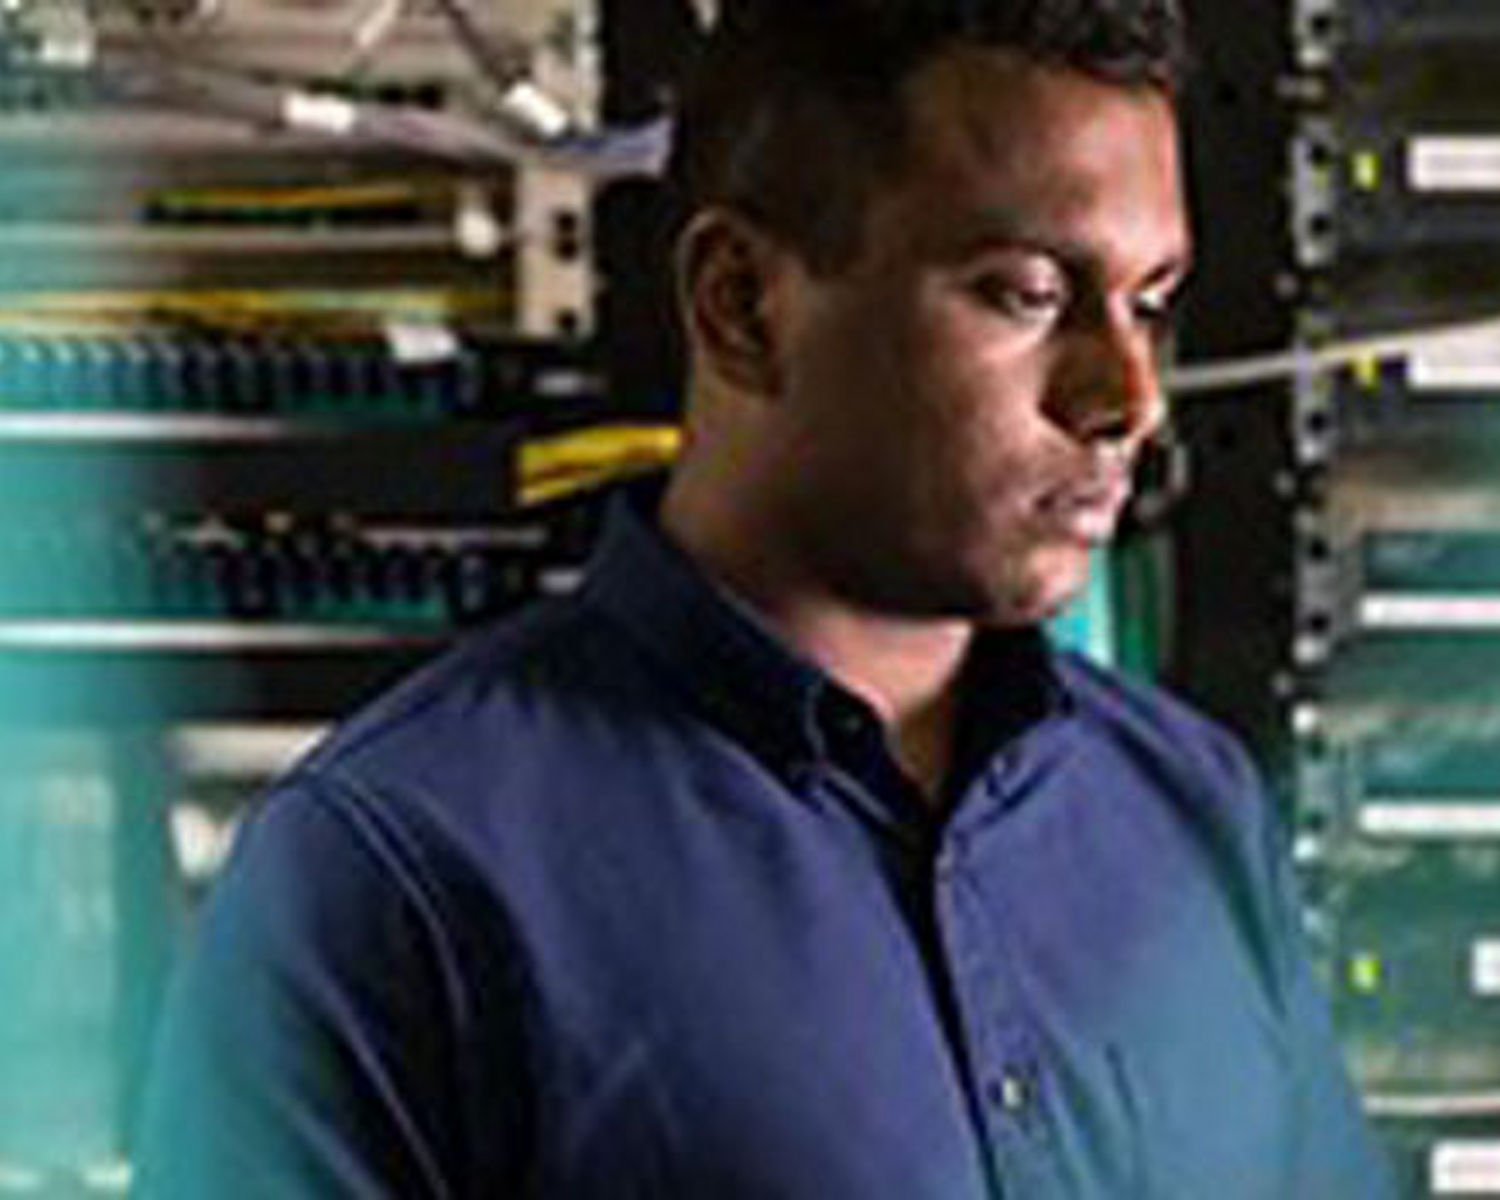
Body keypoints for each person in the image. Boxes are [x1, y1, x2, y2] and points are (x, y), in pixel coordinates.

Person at [135, 2, 1394, 1195]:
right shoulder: (393, 875)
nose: (1126, 395)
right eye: (1025, 294)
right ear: (739, 305)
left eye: (1150, 304)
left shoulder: (1187, 812)